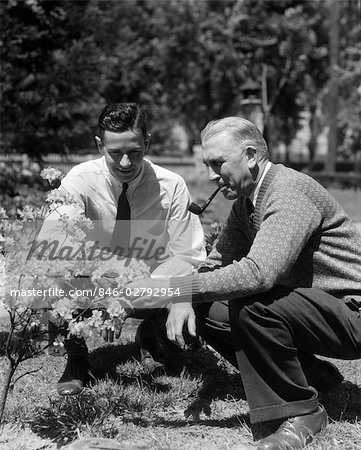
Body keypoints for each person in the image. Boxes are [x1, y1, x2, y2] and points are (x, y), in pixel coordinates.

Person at [126, 117, 361, 450]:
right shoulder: (246, 203)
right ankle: (311, 374)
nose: (210, 174)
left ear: (250, 155)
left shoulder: (288, 191)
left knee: (252, 301)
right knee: (206, 302)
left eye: (217, 163)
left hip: (352, 314)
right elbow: (214, 265)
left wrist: (176, 288)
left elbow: (259, 273)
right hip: (318, 311)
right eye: (208, 165)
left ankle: (303, 412)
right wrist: (182, 298)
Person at [39, 102, 205, 395]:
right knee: (54, 270)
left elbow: (187, 256)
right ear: (99, 144)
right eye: (115, 153)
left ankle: (153, 337)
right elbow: (54, 241)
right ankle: (76, 357)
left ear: (148, 143)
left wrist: (133, 295)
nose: (126, 163)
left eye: (135, 152)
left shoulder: (173, 186)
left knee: (194, 290)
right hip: (96, 277)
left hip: (149, 280)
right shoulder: (79, 179)